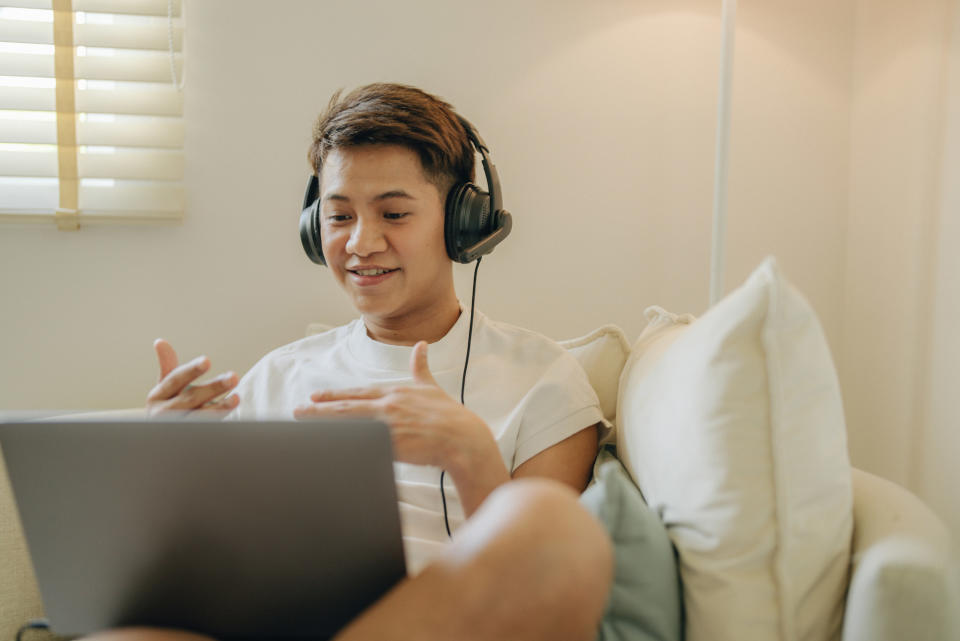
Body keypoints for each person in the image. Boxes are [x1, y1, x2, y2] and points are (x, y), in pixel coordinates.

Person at [102, 83, 613, 641]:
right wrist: (168, 468)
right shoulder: (278, 375)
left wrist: (469, 454)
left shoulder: (544, 380)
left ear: (462, 222)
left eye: (394, 213)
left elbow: (544, 587)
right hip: (277, 621)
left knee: (555, 525)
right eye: (339, 216)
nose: (360, 243)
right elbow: (203, 570)